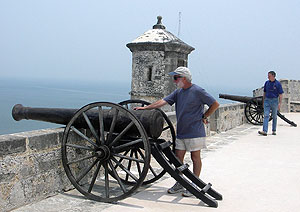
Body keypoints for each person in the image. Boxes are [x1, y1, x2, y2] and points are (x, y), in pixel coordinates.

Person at [134, 66, 219, 197]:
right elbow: (162, 102)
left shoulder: (198, 91)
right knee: (178, 159)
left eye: (175, 78)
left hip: (195, 132)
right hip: (181, 132)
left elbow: (215, 104)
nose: (174, 81)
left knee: (195, 158)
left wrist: (205, 116)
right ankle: (180, 183)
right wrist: (145, 108)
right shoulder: (178, 92)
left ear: (184, 78)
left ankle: (194, 185)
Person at [258, 70, 283, 136]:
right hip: (267, 100)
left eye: (269, 76)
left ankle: (274, 130)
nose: (268, 77)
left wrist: (280, 103)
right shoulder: (266, 83)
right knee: (266, 115)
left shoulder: (278, 84)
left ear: (273, 76)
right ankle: (265, 131)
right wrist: (263, 101)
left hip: (275, 101)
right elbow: (264, 93)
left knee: (274, 116)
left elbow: (280, 94)